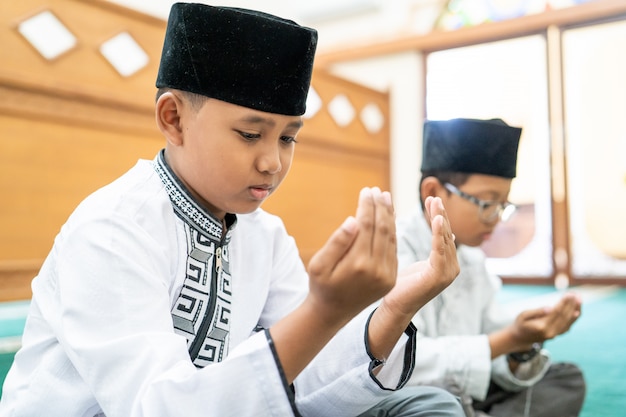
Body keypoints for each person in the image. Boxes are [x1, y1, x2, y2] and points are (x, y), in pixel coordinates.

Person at [0, 3, 464, 417]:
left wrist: (394, 308)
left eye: (287, 138)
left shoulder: (265, 235)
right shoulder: (110, 228)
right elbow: (155, 409)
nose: (273, 161)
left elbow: (306, 383)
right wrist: (323, 310)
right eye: (249, 134)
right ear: (173, 119)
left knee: (423, 405)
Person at [396, 118, 586, 417]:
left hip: (463, 395)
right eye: (487, 203)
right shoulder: (397, 250)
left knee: (566, 378)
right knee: (433, 406)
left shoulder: (473, 258)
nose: (496, 218)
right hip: (412, 399)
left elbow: (493, 354)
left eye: (503, 206)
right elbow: (400, 367)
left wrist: (521, 344)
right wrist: (508, 339)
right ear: (433, 191)